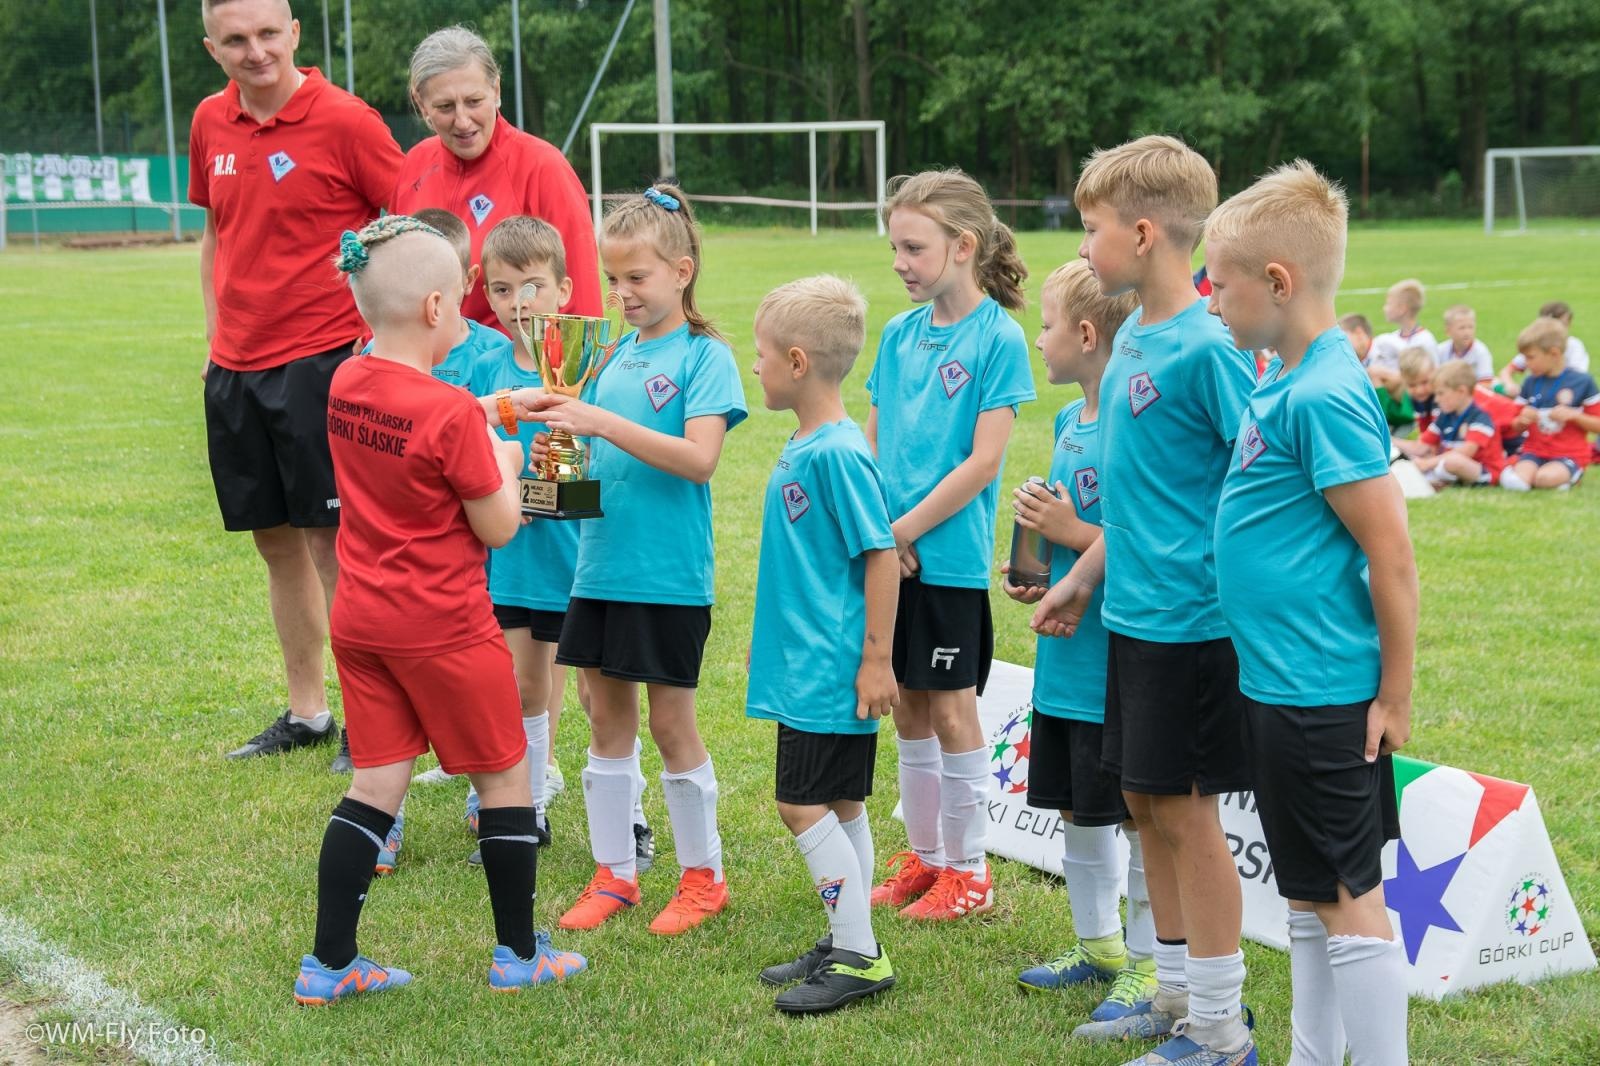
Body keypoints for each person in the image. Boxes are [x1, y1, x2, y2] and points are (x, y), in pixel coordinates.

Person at [293, 217, 586, 1005]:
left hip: (362, 620)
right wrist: (501, 451)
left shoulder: (348, 377)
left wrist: (492, 409)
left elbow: (418, 419)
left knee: (376, 784)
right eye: (461, 295)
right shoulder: (452, 418)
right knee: (504, 779)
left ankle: (329, 964)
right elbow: (497, 523)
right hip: (444, 625)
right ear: (433, 308)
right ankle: (520, 954)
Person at [1034, 134, 1257, 1065]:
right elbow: (1131, 511)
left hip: (1193, 628)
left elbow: (1263, 478)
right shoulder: (1133, 343)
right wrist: (1081, 581)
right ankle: (1171, 991)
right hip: (1131, 622)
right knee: (1145, 802)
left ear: (1143, 231)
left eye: (1090, 230)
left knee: (1190, 816)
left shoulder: (1207, 347)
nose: (1084, 249)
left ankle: (1220, 1025)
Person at [1206, 160, 1416, 1066]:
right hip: (1277, 686)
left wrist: (1394, 696)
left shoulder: (1327, 393)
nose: (1212, 302)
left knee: (1345, 897)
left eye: (1221, 284)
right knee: (1305, 890)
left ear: (1277, 283)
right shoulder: (1281, 378)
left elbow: (1392, 556)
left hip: (1319, 692)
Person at [525, 185, 747, 936]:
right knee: (604, 718)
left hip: (667, 577)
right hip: (599, 570)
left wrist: (600, 420)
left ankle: (702, 877)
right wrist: (555, 460)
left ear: (681, 271)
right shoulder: (610, 354)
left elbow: (699, 459)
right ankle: (614, 872)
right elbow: (587, 460)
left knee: (671, 724)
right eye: (612, 279)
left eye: (636, 279)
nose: (620, 294)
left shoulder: (703, 356)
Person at [190, 0, 404, 768]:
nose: (256, 52)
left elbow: (407, 223)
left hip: (323, 362)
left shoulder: (348, 121)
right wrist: (218, 333)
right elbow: (216, 232)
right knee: (275, 543)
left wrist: (378, 330)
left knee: (333, 545)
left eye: (268, 34)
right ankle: (308, 713)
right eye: (237, 39)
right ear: (212, 46)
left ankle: (372, 721)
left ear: (294, 35)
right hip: (237, 367)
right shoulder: (209, 122)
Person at [864, 169, 1034, 921]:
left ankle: (969, 872)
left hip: (947, 559)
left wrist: (904, 532)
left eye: (913, 246)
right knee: (906, 707)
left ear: (963, 246)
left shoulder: (998, 337)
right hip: (889, 556)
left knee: (954, 708)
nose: (899, 261)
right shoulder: (899, 334)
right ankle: (928, 857)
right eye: (894, 246)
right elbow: (871, 442)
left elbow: (983, 461)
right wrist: (876, 531)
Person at [1003, 261, 1158, 1027]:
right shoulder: (1070, 424)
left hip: (1116, 663)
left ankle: (1150, 961)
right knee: (1079, 812)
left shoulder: (1131, 429)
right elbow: (1068, 546)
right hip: (1064, 664)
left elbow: (1151, 539)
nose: (1038, 339)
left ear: (1087, 335)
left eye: (1047, 323)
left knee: (1137, 817)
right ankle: (1097, 945)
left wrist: (1071, 535)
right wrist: (1036, 568)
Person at [746, 275, 900, 1014]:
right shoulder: (806, 442)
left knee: (800, 805)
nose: (756, 367)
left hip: (830, 667)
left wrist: (876, 659)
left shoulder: (837, 454)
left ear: (798, 363)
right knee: (839, 802)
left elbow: (881, 556)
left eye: (763, 355)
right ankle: (849, 935)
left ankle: (862, 957)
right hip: (803, 660)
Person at [459, 215, 580, 867]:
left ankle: (634, 818)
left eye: (532, 287)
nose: (517, 304)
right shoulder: (482, 364)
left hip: (578, 559)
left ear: (563, 289)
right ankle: (525, 809)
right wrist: (498, 495)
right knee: (520, 685)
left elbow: (582, 483)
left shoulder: (584, 359)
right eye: (502, 291)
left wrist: (527, 496)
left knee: (598, 690)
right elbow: (465, 444)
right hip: (509, 559)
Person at [391, 25, 601, 325]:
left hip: (514, 368)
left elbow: (582, 308)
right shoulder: (415, 164)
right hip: (423, 368)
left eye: (474, 101)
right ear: (421, 103)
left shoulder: (543, 168)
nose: (463, 121)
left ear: (496, 90)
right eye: (445, 107)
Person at [1500, 317, 1600, 492]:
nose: (1526, 363)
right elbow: (1513, 427)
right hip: (1534, 451)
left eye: (1530, 357)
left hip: (1569, 454)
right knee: (1521, 480)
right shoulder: (1530, 382)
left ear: (1554, 353)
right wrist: (1522, 420)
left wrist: (1575, 416)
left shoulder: (1582, 381)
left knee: (1543, 479)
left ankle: (1571, 476)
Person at [1392, 348, 1521, 460]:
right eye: (1412, 385)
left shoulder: (1445, 397)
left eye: (1425, 382)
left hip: (1514, 434)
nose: (1419, 390)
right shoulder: (1423, 398)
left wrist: (1391, 441)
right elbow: (1427, 438)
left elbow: (1430, 447)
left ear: (1434, 372)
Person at [1410, 359, 1512, 488]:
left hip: (1483, 470)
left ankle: (1438, 475)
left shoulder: (1480, 417)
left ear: (1461, 391)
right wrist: (1392, 443)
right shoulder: (1445, 415)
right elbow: (1421, 446)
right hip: (1450, 462)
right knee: (1428, 455)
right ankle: (1439, 476)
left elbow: (1467, 451)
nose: (1436, 399)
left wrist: (1428, 463)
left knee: (1452, 461)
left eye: (1441, 393)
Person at [1497, 301, 1591, 391]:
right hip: (1534, 392)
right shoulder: (1535, 345)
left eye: (1564, 324)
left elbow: (1577, 380)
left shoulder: (1574, 346)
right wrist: (1510, 385)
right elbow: (1507, 370)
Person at [1365, 279, 1436, 389]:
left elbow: (1429, 375)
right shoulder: (1391, 337)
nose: (1384, 308)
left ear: (1402, 309)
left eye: (1388, 304)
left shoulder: (1424, 340)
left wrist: (1384, 375)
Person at [1435, 305, 1493, 383]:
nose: (1467, 332)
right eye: (1462, 328)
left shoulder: (1481, 352)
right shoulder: (1440, 350)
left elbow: (1486, 384)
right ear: (1448, 331)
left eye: (1470, 327)